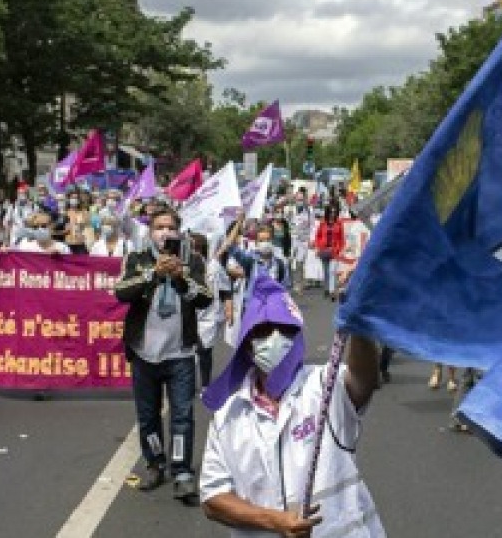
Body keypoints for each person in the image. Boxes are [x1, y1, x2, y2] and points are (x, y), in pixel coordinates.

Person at [200, 271, 384, 536]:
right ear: (248, 344)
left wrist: (358, 321)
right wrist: (275, 521)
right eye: (263, 331)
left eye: (284, 329)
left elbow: (364, 378)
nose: (275, 338)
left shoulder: (325, 385)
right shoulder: (228, 416)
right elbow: (213, 499)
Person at [113, 209, 212, 499]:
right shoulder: (137, 258)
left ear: (179, 232)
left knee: (182, 415)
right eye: (159, 227)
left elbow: (205, 298)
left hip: (179, 353)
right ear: (150, 231)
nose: (164, 233)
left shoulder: (192, 260)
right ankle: (155, 462)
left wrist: (181, 278)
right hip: (145, 354)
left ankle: (182, 471)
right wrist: (153, 274)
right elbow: (121, 292)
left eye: (170, 228)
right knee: (148, 416)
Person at [191, 233, 232, 390]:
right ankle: (186, 383)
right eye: (192, 248)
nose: (194, 251)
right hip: (189, 315)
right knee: (188, 352)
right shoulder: (182, 265)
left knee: (204, 350)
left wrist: (228, 307)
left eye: (197, 248)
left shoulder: (213, 266)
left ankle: (205, 384)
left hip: (208, 316)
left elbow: (225, 288)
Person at [313, 205, 345, 301]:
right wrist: (318, 246)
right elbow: (318, 235)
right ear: (327, 212)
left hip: (334, 250)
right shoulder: (323, 223)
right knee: (326, 271)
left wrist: (339, 248)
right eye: (331, 212)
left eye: (334, 212)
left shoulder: (339, 223)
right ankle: (326, 289)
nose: (333, 214)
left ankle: (332, 291)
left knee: (332, 271)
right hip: (323, 250)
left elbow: (341, 238)